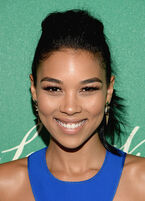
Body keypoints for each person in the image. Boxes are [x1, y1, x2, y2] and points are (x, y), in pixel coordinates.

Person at [0, 9, 145, 201]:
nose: (70, 108)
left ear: (108, 91)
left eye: (87, 89)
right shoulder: (4, 185)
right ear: (34, 90)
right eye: (53, 89)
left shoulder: (141, 182)